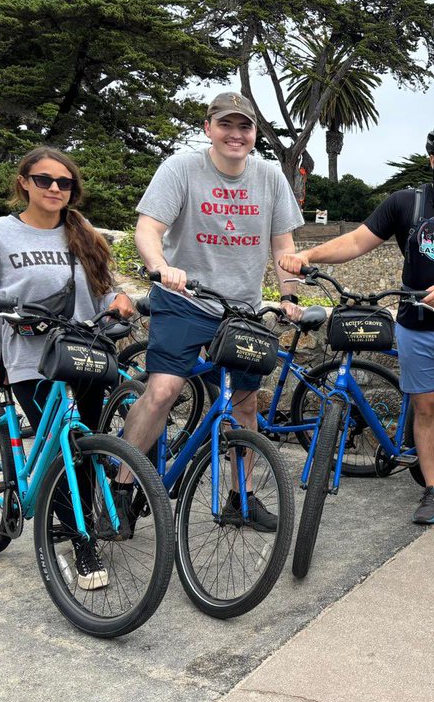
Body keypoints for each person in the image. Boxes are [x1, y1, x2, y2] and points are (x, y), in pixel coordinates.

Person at [279, 122, 434, 525]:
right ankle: (432, 490)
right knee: (425, 409)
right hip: (415, 328)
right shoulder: (405, 203)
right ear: (433, 160)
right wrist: (308, 256)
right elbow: (357, 241)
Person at [118, 92, 304, 530]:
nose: (235, 135)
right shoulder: (181, 168)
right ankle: (121, 487)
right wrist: (160, 267)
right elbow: (148, 229)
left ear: (255, 134)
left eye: (245, 127)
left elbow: (283, 245)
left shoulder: (270, 177)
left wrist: (290, 297)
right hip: (183, 301)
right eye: (226, 125)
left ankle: (242, 498)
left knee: (245, 404)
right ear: (208, 128)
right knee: (163, 390)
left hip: (241, 311)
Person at [0, 146, 137, 589]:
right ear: (24, 182)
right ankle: (80, 541)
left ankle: (77, 519)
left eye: (64, 182)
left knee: (83, 447)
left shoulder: (82, 232)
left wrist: (120, 298)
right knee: (61, 448)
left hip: (85, 353)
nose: (54, 188)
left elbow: (103, 289)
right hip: (31, 360)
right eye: (44, 179)